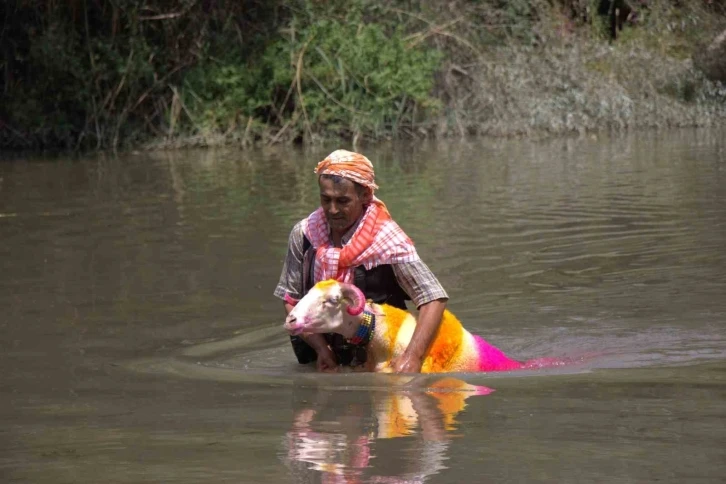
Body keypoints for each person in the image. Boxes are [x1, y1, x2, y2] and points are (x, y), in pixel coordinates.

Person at [274, 149, 448, 373]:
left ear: (365, 195)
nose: (333, 210)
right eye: (326, 199)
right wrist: (321, 349)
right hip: (320, 353)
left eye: (343, 201)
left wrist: (412, 356)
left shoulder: (388, 240)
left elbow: (433, 298)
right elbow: (291, 298)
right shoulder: (304, 234)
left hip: (380, 358)